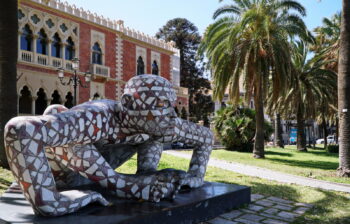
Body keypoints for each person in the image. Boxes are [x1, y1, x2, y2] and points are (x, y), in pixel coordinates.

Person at [4, 74, 213, 216]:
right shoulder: (100, 116)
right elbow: (21, 130)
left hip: (92, 177)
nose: (171, 114)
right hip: (59, 176)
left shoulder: (161, 121)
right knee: (56, 112)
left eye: (171, 105)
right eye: (161, 105)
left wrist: (195, 177)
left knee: (152, 133)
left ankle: (140, 177)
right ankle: (126, 185)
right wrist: (48, 200)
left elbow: (205, 136)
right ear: (129, 103)